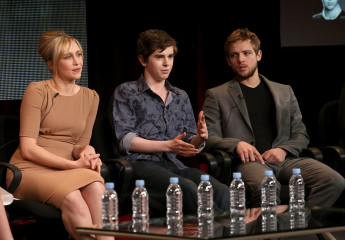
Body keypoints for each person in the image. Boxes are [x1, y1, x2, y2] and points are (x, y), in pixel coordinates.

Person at [202, 28, 345, 208]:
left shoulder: (284, 91)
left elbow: (301, 134)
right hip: (248, 163)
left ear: (258, 55)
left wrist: (284, 150)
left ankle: (297, 232)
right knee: (268, 187)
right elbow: (208, 138)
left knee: (334, 180)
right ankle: (272, 234)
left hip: (284, 160)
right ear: (228, 61)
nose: (241, 60)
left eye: (246, 53)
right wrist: (236, 144)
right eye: (234, 55)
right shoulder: (217, 95)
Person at [112, 29, 229, 215]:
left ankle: (231, 231)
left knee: (222, 191)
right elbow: (125, 140)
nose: (167, 63)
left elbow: (188, 142)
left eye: (170, 56)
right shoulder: (127, 92)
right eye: (159, 57)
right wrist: (168, 146)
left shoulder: (180, 96)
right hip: (140, 165)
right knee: (188, 189)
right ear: (143, 60)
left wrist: (200, 138)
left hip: (174, 165)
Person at [6, 30, 108, 240]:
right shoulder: (37, 90)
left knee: (98, 188)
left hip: (69, 166)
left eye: (78, 54)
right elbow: (28, 148)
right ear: (51, 64)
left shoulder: (91, 97)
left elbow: (78, 145)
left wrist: (86, 151)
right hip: (31, 168)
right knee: (73, 198)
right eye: (67, 57)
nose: (76, 61)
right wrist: (74, 165)